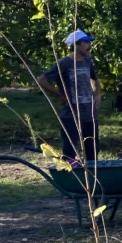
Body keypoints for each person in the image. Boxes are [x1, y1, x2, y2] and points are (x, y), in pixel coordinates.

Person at [38, 30, 101, 162]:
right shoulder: (64, 63)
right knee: (69, 150)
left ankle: (91, 173)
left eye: (89, 42)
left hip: (89, 113)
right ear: (76, 45)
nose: (89, 46)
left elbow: (94, 79)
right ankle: (70, 172)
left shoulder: (87, 61)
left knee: (92, 150)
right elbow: (41, 80)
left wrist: (97, 94)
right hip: (71, 114)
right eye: (86, 42)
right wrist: (59, 94)